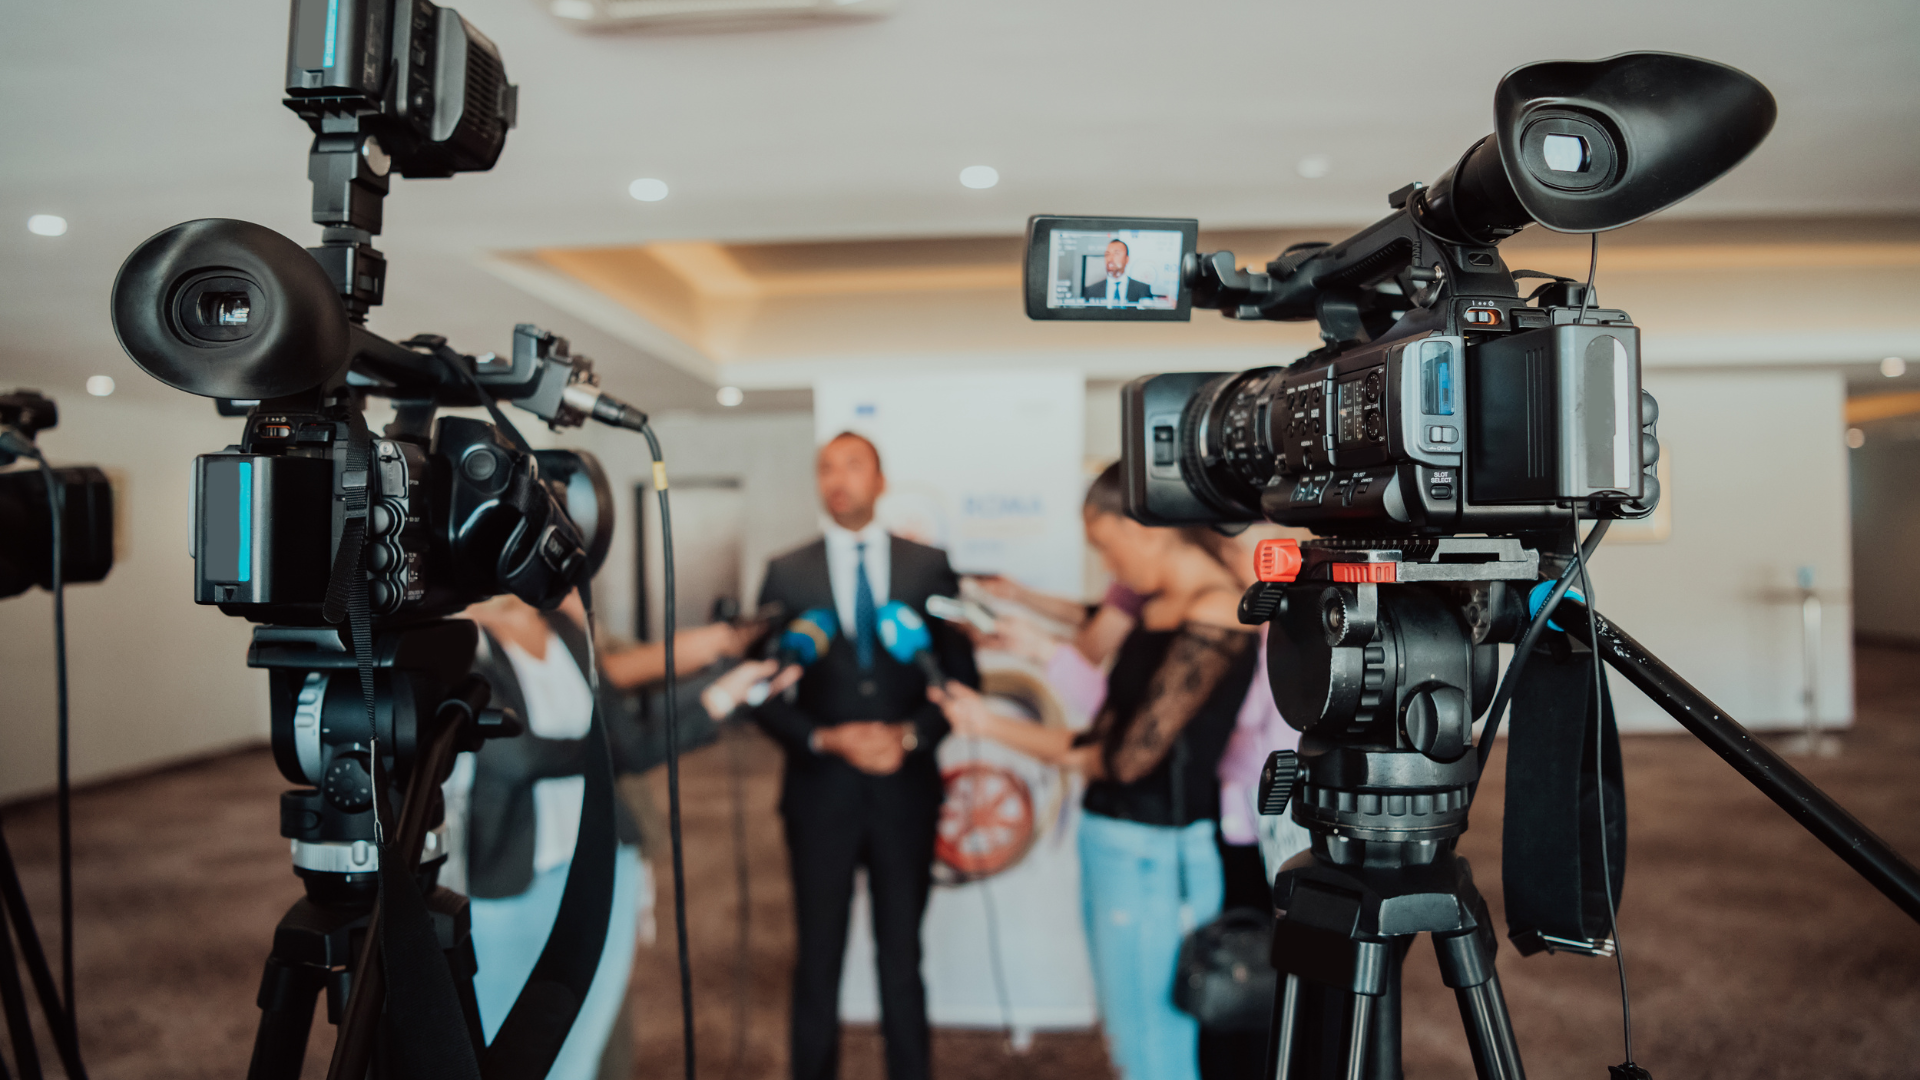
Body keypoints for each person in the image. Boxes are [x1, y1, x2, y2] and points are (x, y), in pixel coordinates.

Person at [928, 464, 1256, 1080]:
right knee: (1132, 1040)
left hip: (1156, 855)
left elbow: (1125, 758)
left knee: (1153, 1050)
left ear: (1145, 529)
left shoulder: (1217, 612)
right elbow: (1105, 732)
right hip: (1117, 841)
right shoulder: (1161, 607)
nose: (1110, 571)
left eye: (1107, 547)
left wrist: (988, 726)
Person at [749, 431, 980, 1080]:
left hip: (906, 792)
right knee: (816, 958)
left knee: (901, 957)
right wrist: (824, 738)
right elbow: (761, 692)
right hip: (819, 792)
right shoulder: (785, 570)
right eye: (826, 467)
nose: (838, 478)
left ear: (880, 482)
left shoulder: (928, 565)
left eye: (853, 465)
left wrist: (909, 738)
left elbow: (961, 681)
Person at [1081, 238, 1155, 304]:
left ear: (1127, 259)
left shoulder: (1143, 289)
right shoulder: (1091, 291)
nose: (1110, 259)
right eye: (1107, 254)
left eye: (1116, 254)